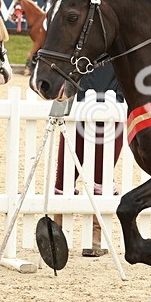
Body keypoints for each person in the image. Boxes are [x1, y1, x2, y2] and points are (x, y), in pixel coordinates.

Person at [54, 64, 125, 257]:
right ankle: (59, 231)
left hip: (108, 108)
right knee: (68, 175)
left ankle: (94, 236)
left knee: (98, 176)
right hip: (83, 108)